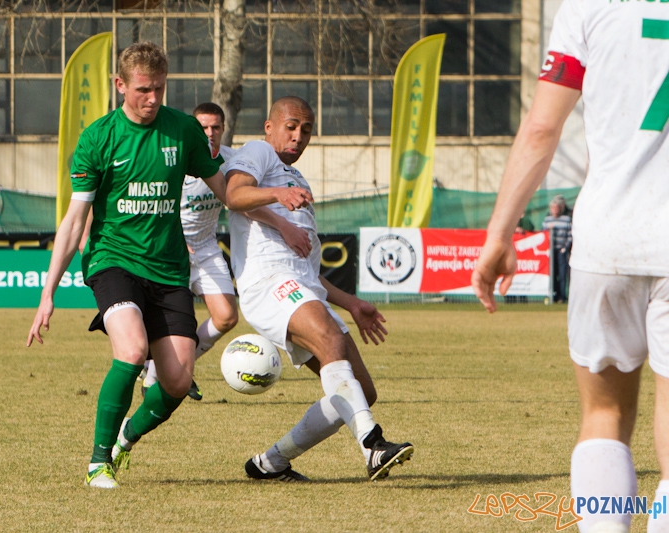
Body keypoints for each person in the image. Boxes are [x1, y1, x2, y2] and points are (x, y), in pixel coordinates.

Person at [471, 4, 669, 532]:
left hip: (609, 239)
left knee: (603, 417)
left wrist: (499, 234)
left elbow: (541, 128)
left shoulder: (586, 5)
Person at [26, 42, 227, 489]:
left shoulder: (183, 131)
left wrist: (272, 199)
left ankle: (124, 440)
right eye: (142, 90)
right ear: (120, 85)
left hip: (170, 268)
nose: (152, 98)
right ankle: (98, 462)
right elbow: (75, 217)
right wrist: (48, 293)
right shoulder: (99, 137)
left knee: (177, 380)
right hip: (111, 260)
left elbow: (228, 191)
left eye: (159, 89)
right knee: (133, 351)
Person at [225, 96, 414, 482]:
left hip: (300, 286)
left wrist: (352, 303)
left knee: (361, 390)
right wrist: (277, 196)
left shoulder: (299, 181)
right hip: (269, 282)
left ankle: (271, 463)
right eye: (291, 126)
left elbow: (313, 276)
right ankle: (373, 446)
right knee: (329, 341)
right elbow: (234, 195)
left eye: (306, 130)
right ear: (269, 127)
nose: (298, 136)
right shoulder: (260, 153)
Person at [140, 102, 239, 400]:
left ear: (223, 129)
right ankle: (154, 381)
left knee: (226, 317)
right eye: (203, 127)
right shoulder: (174, 157)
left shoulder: (233, 161)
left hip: (207, 248)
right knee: (172, 321)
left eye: (215, 127)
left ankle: (178, 366)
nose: (209, 133)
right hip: (170, 249)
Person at [541, 195, 572, 303]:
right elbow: (542, 234)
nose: (555, 210)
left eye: (557, 208)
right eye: (553, 208)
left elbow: (570, 235)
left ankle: (562, 297)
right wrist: (547, 229)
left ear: (560, 208)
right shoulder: (547, 220)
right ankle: (553, 295)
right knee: (553, 274)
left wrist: (565, 247)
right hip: (551, 252)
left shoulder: (566, 219)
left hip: (561, 251)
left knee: (562, 274)